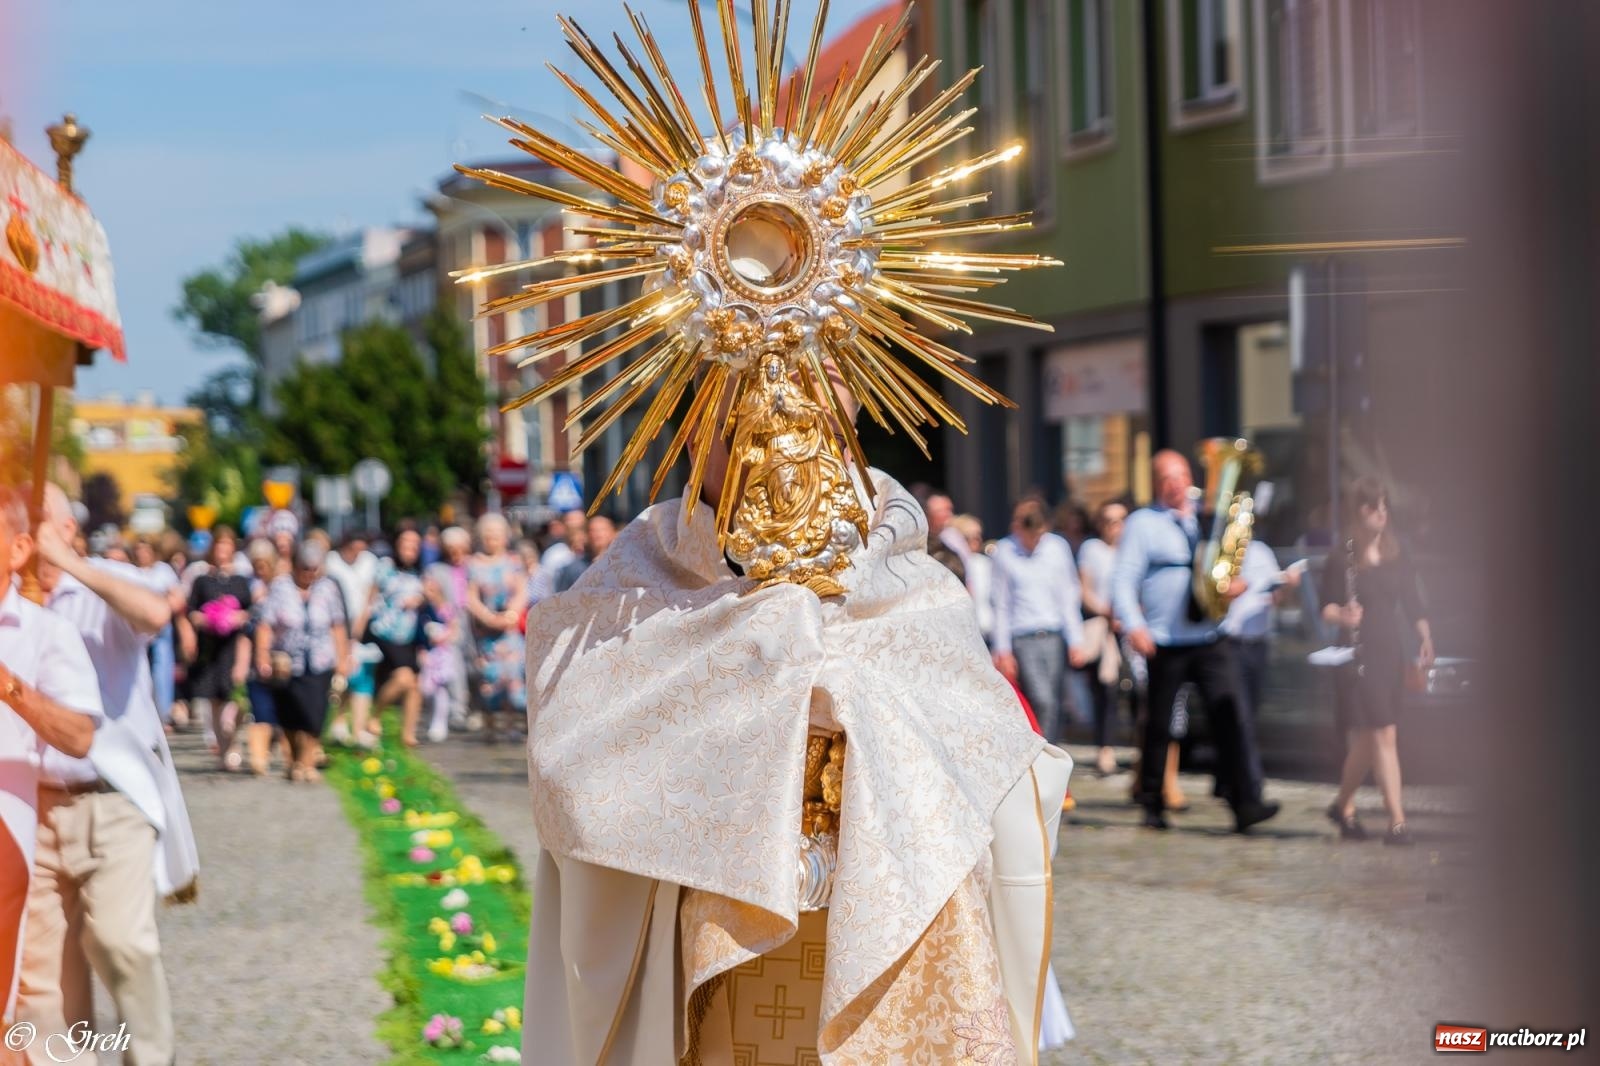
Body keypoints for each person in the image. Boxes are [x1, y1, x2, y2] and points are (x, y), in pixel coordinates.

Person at [521, 363, 1072, 1062]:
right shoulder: (639, 586)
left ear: (849, 442)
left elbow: (997, 763)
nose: (777, 448)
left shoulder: (914, 586)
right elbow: (573, 767)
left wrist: (862, 711)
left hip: (895, 942)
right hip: (701, 964)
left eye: (817, 424)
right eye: (741, 427)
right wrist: (745, 681)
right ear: (696, 443)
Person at [23, 485, 190, 1065]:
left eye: (38, 516)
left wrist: (67, 565)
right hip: (30, 804)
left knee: (121, 943)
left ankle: (149, 1057)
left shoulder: (99, 581)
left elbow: (155, 612)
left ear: (68, 529)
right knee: (43, 974)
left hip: (112, 800)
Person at [1111, 450, 1280, 833]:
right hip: (1164, 639)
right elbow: (1123, 578)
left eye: (1181, 474)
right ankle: (1152, 801)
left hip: (1208, 634)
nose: (1176, 483)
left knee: (1230, 714)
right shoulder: (1143, 523)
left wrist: (1232, 585)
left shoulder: (1208, 516)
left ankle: (1245, 800)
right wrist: (1134, 625)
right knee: (1159, 724)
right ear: (1155, 483)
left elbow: (1231, 559)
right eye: (1167, 477)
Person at [0, 488, 100, 1025]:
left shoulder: (48, 632)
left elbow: (80, 735)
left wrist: (9, 686)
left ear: (18, 551)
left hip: (13, 821)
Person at [1322, 478, 1433, 845]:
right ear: (1359, 511)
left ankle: (1342, 806)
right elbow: (1326, 607)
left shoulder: (1395, 551)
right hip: (1359, 655)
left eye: (1384, 505)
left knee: (1370, 742)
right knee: (1384, 733)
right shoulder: (1343, 555)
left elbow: (1411, 599)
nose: (1381, 512)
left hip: (1389, 651)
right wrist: (1342, 615)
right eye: (1373, 506)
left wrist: (1424, 635)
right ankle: (1397, 822)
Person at [990, 497, 1090, 743]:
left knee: (1054, 701)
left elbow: (1067, 595)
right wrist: (1002, 649)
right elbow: (1001, 604)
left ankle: (1051, 749)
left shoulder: (1057, 548)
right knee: (1040, 698)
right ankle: (1040, 748)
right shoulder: (1005, 551)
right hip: (1023, 636)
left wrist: (1076, 639)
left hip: (1053, 634)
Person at [255, 541, 350, 782]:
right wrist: (262, 655)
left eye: (313, 568)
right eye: (305, 567)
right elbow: (265, 624)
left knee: (315, 714)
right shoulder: (280, 587)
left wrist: (343, 659)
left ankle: (307, 763)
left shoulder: (328, 588)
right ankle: (295, 760)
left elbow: (338, 625)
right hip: (288, 662)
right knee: (290, 714)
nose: (309, 573)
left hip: (320, 661)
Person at [186, 528, 253, 770]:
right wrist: (204, 620)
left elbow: (252, 611)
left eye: (226, 546)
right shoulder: (202, 580)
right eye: (218, 546)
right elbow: (191, 611)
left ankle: (232, 739)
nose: (222, 551)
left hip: (234, 646)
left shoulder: (241, 581)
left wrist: (237, 617)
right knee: (214, 699)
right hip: (210, 647)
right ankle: (223, 749)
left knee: (235, 698)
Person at [1078, 500, 1129, 777]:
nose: (1116, 526)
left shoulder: (1132, 550)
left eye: (1121, 519)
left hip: (1130, 629)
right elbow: (1084, 590)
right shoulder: (1092, 550)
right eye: (1110, 520)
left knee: (1135, 691)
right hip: (1102, 628)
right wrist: (1107, 611)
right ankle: (1105, 748)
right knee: (1105, 691)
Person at [466, 514, 528, 740]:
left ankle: (511, 725)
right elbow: (470, 597)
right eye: (488, 535)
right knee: (488, 678)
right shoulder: (473, 563)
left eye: (497, 535)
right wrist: (488, 617)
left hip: (509, 630)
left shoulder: (513, 561)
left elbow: (522, 591)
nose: (493, 539)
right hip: (485, 632)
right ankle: (489, 726)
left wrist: (511, 613)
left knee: (512, 676)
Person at [367, 528, 426, 747]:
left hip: (409, 634)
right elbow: (370, 597)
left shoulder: (418, 572)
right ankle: (375, 715)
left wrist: (422, 599)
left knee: (415, 685)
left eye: (414, 545)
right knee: (404, 678)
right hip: (386, 630)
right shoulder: (386, 567)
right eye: (405, 544)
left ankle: (408, 734)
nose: (409, 549)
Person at [325, 531, 378, 747]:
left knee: (359, 673)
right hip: (335, 623)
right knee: (340, 675)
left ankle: (357, 728)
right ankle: (337, 722)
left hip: (360, 624)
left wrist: (355, 633)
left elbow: (369, 597)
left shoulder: (369, 562)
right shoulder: (332, 562)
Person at [424, 526, 473, 732]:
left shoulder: (474, 567)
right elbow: (430, 592)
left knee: (474, 666)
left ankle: (476, 707)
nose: (456, 554)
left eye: (460, 548)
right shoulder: (436, 570)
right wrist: (446, 612)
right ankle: (457, 711)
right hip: (450, 623)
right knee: (455, 667)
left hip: (473, 623)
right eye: (451, 549)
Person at [131, 539, 181, 731]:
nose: (142, 553)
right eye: (139, 549)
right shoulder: (130, 571)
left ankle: (163, 713)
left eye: (146, 549)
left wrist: (160, 611)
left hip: (160, 627)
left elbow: (177, 598)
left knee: (161, 670)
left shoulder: (163, 571)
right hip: (137, 626)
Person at [418, 575, 462, 743]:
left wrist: (443, 636)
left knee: (440, 689)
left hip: (442, 653)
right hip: (429, 653)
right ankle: (432, 717)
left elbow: (454, 629)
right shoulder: (424, 610)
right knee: (427, 689)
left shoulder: (446, 608)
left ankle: (440, 722)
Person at [949, 514, 996, 644]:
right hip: (964, 633)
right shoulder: (953, 565)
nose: (977, 540)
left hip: (988, 631)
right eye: (969, 537)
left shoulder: (984, 563)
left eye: (978, 536)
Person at [527, 509, 586, 605]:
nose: (577, 533)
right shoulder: (554, 555)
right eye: (572, 528)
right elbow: (546, 585)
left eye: (581, 527)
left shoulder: (591, 555)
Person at [550, 514, 616, 594]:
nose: (598, 534)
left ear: (612, 533)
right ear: (587, 535)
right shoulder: (573, 569)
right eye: (593, 530)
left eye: (602, 530)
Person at [923, 491, 969, 560]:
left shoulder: (953, 535)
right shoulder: (921, 538)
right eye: (944, 510)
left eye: (950, 510)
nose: (950, 514)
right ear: (929, 513)